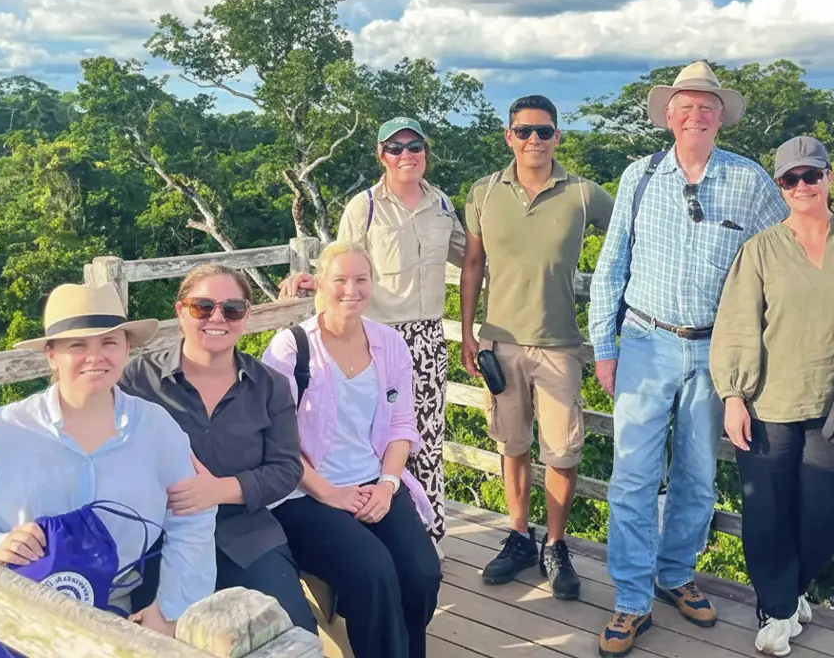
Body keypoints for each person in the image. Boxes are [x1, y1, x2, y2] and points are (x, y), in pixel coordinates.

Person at [0, 265, 316, 634]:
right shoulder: (137, 380)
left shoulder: (268, 384)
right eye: (203, 307)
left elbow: (286, 468)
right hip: (150, 546)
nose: (216, 317)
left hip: (244, 532)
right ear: (181, 311)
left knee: (292, 630)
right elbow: (78, 395)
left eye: (232, 308)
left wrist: (220, 490)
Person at [587, 61, 789, 657]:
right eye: (686, 104)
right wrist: (604, 345)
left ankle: (674, 575)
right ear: (669, 114)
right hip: (645, 342)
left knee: (698, 476)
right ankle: (629, 599)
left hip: (716, 349)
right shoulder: (638, 176)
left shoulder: (750, 182)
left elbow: (780, 259)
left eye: (708, 105)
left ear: (720, 115)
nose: (697, 113)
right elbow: (611, 264)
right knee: (632, 476)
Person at [0, 283, 217, 655]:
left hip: (105, 609)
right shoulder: (5, 431)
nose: (96, 356)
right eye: (77, 345)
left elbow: (192, 519)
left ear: (127, 348)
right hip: (1, 603)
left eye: (109, 342)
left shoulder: (157, 429)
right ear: (51, 355)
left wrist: (170, 611)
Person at [710, 136, 834, 656]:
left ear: (830, 177)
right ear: (780, 186)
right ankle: (775, 607)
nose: (802, 186)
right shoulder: (760, 249)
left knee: (822, 516)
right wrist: (733, 395)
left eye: (811, 176)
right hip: (769, 403)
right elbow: (736, 324)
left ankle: (794, 588)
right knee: (768, 512)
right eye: (790, 179)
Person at [280, 116, 466, 548]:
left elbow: (471, 257)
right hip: (375, 338)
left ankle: (427, 532)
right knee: (370, 436)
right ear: (381, 155)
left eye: (414, 146)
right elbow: (342, 262)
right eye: (395, 148)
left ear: (426, 153)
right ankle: (367, 526)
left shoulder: (441, 205)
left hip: (426, 337)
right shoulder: (363, 206)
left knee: (426, 438)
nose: (406, 155)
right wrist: (313, 279)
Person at [459, 94, 614, 602]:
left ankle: (555, 543)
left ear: (557, 137)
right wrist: (468, 332)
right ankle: (520, 535)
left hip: (559, 344)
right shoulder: (483, 193)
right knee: (512, 445)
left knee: (564, 450)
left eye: (543, 131)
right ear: (509, 136)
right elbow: (473, 266)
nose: (533, 140)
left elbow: (630, 239)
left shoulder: (584, 195)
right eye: (523, 131)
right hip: (500, 341)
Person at [264, 241, 441, 658]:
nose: (351, 289)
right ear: (320, 284)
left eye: (361, 279)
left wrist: (387, 484)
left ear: (372, 284)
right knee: (373, 571)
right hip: (307, 492)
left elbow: (402, 425)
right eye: (340, 279)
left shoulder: (389, 343)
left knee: (421, 573)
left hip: (373, 481)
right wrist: (329, 493)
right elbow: (275, 437)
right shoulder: (292, 347)